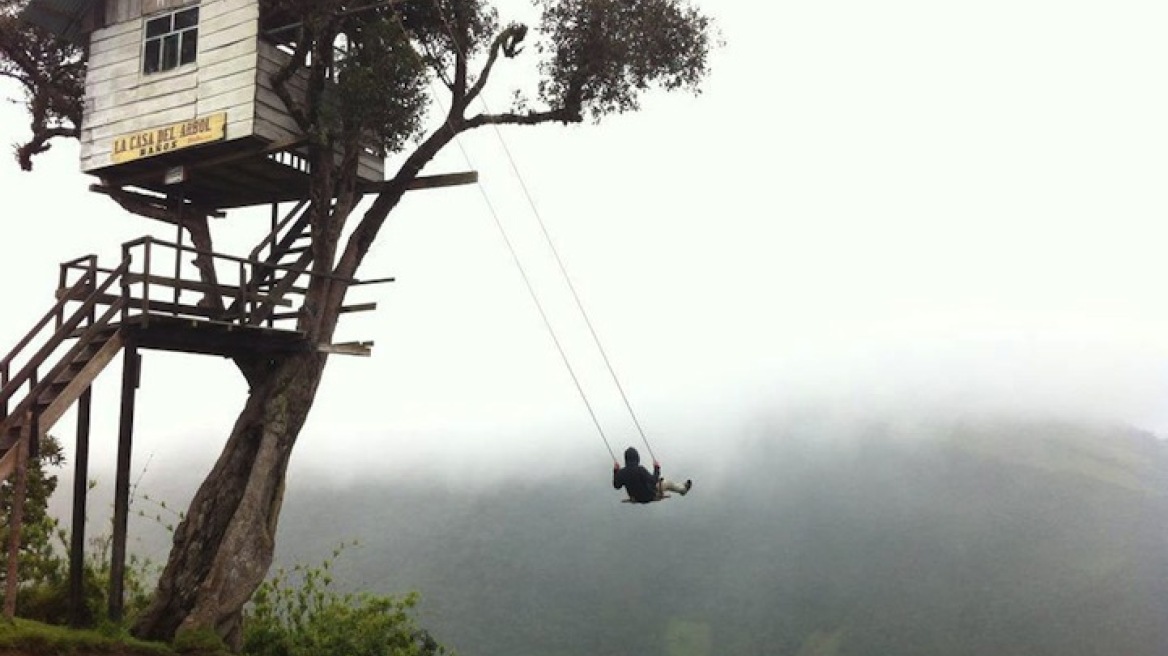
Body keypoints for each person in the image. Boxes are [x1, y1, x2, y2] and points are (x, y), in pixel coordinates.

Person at [612, 446, 692, 503]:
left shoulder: (622, 473)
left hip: (635, 497)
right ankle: (683, 489)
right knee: (668, 484)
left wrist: (616, 471)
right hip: (650, 495)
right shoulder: (640, 469)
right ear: (637, 458)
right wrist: (656, 468)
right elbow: (653, 481)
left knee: (660, 484)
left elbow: (616, 486)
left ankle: (682, 486)